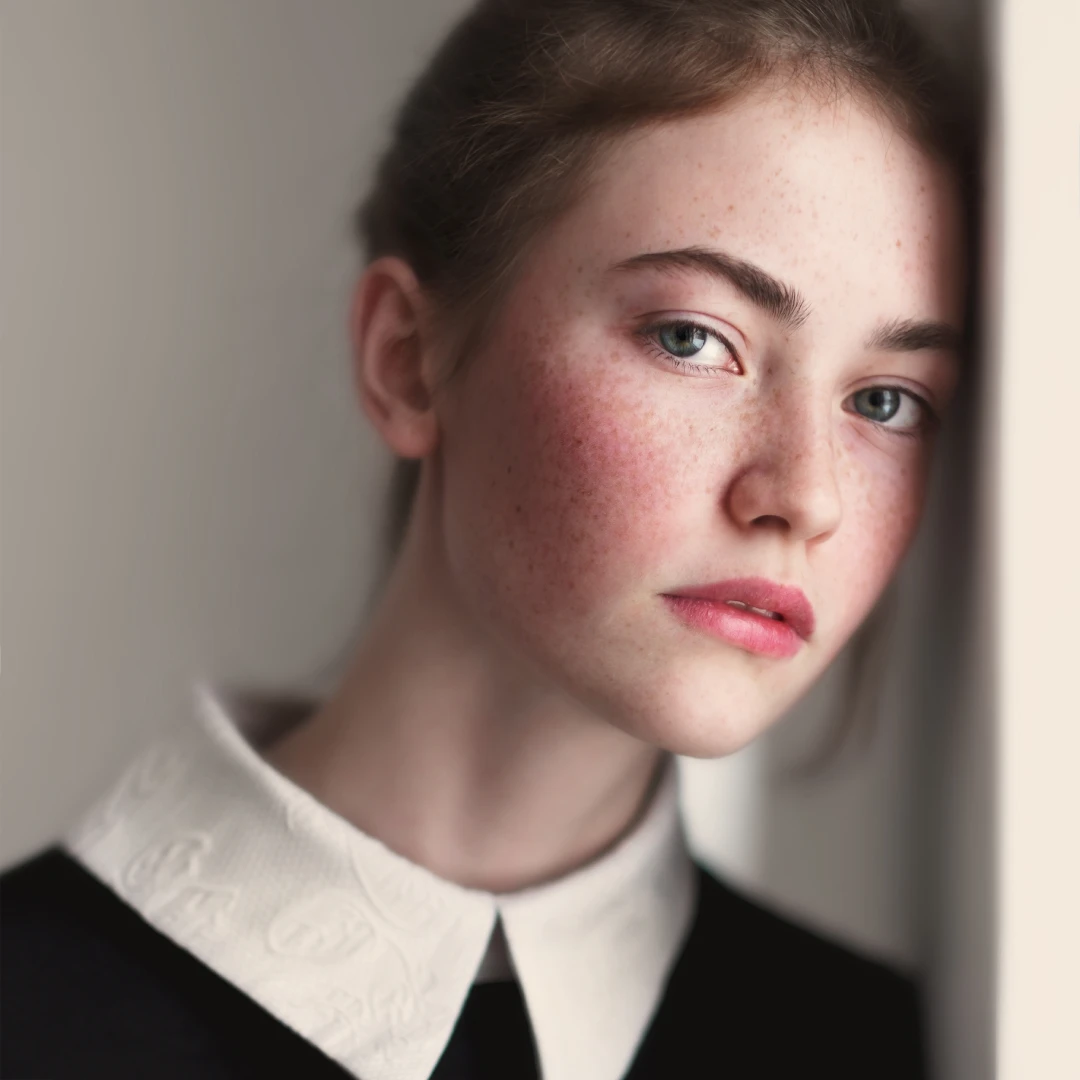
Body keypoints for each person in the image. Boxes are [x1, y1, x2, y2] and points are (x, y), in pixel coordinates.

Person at [1, 0, 977, 1077]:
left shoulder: (892, 1050)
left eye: (886, 401)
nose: (806, 495)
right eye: (695, 338)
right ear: (407, 359)